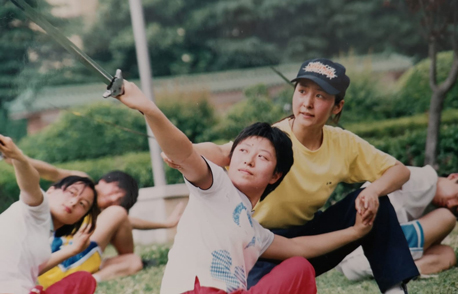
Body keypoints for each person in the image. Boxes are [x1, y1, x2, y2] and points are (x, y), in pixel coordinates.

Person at [114, 80, 373, 294]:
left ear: (275, 175)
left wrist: (355, 232)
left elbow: (300, 247)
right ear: (231, 156)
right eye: (243, 150)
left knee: (299, 268)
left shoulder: (253, 231)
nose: (249, 159)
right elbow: (183, 152)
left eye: (262, 157)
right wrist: (148, 108)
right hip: (197, 291)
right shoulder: (215, 185)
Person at [191, 58, 420, 294]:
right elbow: (221, 153)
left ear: (337, 106)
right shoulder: (273, 139)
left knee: (376, 203)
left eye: (320, 96)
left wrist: (373, 189)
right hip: (259, 245)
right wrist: (181, 150)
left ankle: (395, 290)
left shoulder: (343, 143)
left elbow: (400, 171)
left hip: (309, 240)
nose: (307, 103)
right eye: (302, 91)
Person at [1, 155, 184, 286]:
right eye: (114, 191)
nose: (113, 199)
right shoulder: (82, 187)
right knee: (118, 216)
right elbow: (53, 172)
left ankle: (87, 281)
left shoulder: (96, 212)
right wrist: (16, 157)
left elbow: (129, 221)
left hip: (73, 260)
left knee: (133, 260)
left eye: (120, 199)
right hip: (54, 261)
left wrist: (166, 224)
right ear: (104, 181)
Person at [0, 134, 99, 294]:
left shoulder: (45, 239)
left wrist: (72, 250)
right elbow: (30, 184)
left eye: (82, 204)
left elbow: (31, 270)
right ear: (51, 191)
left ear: (80, 218)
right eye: (71, 192)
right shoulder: (37, 208)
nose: (73, 202)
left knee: (83, 280)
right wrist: (17, 156)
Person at [336, 165, 457, 280]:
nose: (451, 204)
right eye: (457, 197)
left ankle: (405, 273)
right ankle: (402, 271)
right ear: (454, 177)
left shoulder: (429, 203)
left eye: (456, 208)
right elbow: (392, 175)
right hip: (360, 248)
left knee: (448, 255)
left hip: (358, 264)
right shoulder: (425, 178)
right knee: (446, 217)